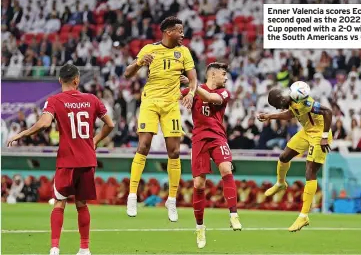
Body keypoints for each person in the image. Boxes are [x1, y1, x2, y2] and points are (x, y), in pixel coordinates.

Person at [7, 64, 115, 255]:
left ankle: (55, 248)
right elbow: (110, 124)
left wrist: (22, 133)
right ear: (77, 80)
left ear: (59, 80)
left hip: (67, 161)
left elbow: (44, 124)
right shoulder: (91, 99)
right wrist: (95, 140)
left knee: (59, 203)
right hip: (88, 160)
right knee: (82, 204)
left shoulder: (55, 100)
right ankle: (84, 248)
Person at [124, 16, 198, 221]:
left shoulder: (183, 52)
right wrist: (139, 63)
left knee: (174, 151)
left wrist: (191, 92)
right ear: (168, 32)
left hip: (171, 105)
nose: (182, 34)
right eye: (179, 31)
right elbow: (127, 74)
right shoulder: (149, 49)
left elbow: (193, 78)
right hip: (150, 102)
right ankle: (132, 195)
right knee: (143, 146)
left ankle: (171, 200)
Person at [257, 83, 332, 232]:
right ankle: (280, 183)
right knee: (284, 156)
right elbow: (291, 113)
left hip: (319, 135)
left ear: (281, 98)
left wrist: (324, 137)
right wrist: (270, 116)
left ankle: (304, 216)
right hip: (307, 132)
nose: (279, 108)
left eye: (278, 105)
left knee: (310, 172)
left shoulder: (302, 100)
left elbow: (327, 111)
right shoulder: (290, 101)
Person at [180, 62, 241, 249]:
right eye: (223, 74)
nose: (226, 77)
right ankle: (200, 227)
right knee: (199, 184)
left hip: (217, 137)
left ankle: (233, 215)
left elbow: (210, 98)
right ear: (212, 74)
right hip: (199, 139)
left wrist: (192, 85)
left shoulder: (224, 93)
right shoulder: (194, 89)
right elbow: (172, 97)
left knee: (226, 168)